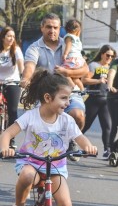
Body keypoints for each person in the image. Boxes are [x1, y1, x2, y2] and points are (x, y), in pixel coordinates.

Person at [0, 69, 97, 206]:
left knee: (66, 205)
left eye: (69, 98)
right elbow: (7, 133)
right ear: (47, 97)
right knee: (27, 176)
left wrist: (88, 146)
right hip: (33, 164)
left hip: (56, 168)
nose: (67, 102)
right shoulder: (31, 116)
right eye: (63, 98)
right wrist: (5, 149)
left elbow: (80, 138)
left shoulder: (67, 120)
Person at [21, 13, 89, 161]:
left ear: (60, 29)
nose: (52, 30)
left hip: (69, 92)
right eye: (49, 27)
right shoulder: (34, 48)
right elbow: (29, 67)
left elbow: (85, 69)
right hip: (45, 95)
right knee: (40, 129)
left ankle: (71, 140)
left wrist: (67, 72)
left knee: (78, 115)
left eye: (55, 27)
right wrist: (26, 79)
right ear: (42, 28)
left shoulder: (69, 44)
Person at [82, 44, 116, 159]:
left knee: (107, 126)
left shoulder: (113, 67)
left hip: (107, 101)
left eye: (112, 56)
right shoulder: (94, 65)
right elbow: (84, 80)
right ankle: (70, 143)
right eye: (108, 55)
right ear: (102, 54)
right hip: (94, 98)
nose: (110, 58)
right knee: (85, 125)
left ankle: (107, 150)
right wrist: (98, 80)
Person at [0, 26, 24, 148]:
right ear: (3, 37)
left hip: (12, 82)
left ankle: (11, 138)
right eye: (9, 36)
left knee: (13, 111)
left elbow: (21, 64)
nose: (11, 39)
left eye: (13, 37)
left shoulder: (16, 50)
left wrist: (23, 77)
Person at [62, 18, 85, 91]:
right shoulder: (78, 39)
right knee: (75, 78)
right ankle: (82, 90)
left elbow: (69, 45)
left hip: (72, 59)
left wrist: (65, 54)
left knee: (63, 73)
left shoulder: (68, 36)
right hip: (80, 61)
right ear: (78, 31)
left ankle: (74, 88)